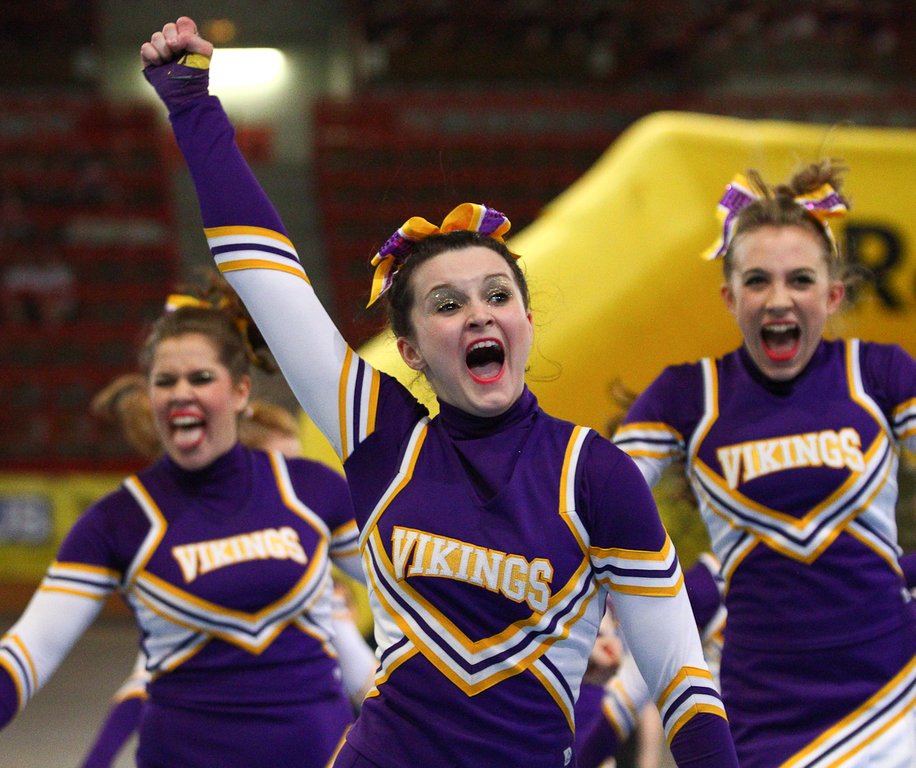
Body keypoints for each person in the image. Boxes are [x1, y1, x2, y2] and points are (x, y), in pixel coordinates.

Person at [140, 17, 739, 768]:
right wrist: (193, 106)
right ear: (412, 350)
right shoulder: (381, 435)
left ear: (525, 321)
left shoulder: (594, 475)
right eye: (448, 304)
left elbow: (683, 680)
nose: (479, 313)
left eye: (497, 294)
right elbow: (266, 274)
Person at [612, 162, 916, 766]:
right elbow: (594, 498)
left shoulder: (879, 373)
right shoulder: (688, 394)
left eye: (800, 280)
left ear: (832, 294)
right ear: (730, 297)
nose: (779, 299)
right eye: (757, 281)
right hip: (761, 710)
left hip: (894, 693)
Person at [0, 277, 366, 768]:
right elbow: (30, 650)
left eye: (200, 378)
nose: (180, 394)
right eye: (165, 381)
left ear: (240, 391)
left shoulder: (311, 490)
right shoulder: (118, 521)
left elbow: (410, 589)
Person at [78, 380, 377, 768]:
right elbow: (144, 681)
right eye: (282, 471)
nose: (298, 487)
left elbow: (360, 672)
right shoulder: (194, 581)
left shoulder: (313, 575)